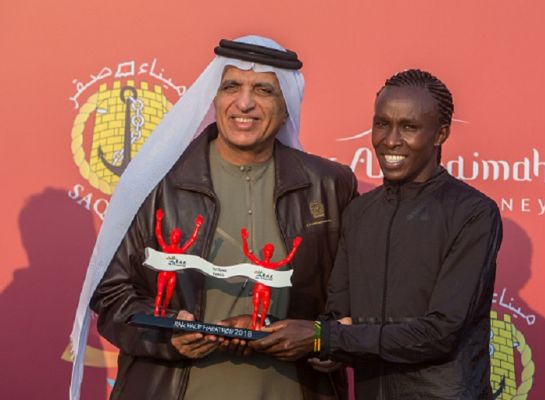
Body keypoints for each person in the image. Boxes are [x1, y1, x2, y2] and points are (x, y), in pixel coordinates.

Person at [69, 36, 357, 400]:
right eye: (231, 86)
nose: (245, 103)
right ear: (214, 98)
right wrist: (168, 334)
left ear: (286, 106)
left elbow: (353, 303)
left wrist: (320, 340)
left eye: (264, 90)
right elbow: (111, 293)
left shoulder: (329, 186)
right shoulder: (155, 183)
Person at [252, 69, 502, 399]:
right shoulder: (359, 212)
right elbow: (338, 319)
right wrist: (323, 347)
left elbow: (441, 332)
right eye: (382, 123)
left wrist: (325, 338)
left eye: (409, 127)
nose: (390, 139)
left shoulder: (473, 214)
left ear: (440, 134)